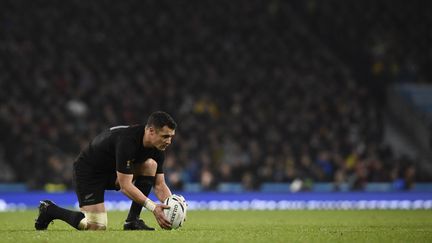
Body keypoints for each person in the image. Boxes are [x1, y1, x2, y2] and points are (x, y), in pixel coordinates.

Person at [35, 111, 177, 230]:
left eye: (171, 137)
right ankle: (49, 209)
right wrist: (153, 208)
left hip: (113, 172)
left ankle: (132, 221)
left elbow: (159, 185)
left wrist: (174, 206)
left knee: (150, 165)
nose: (169, 141)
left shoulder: (158, 148)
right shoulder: (128, 141)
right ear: (151, 131)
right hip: (89, 172)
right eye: (165, 136)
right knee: (96, 226)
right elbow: (125, 186)